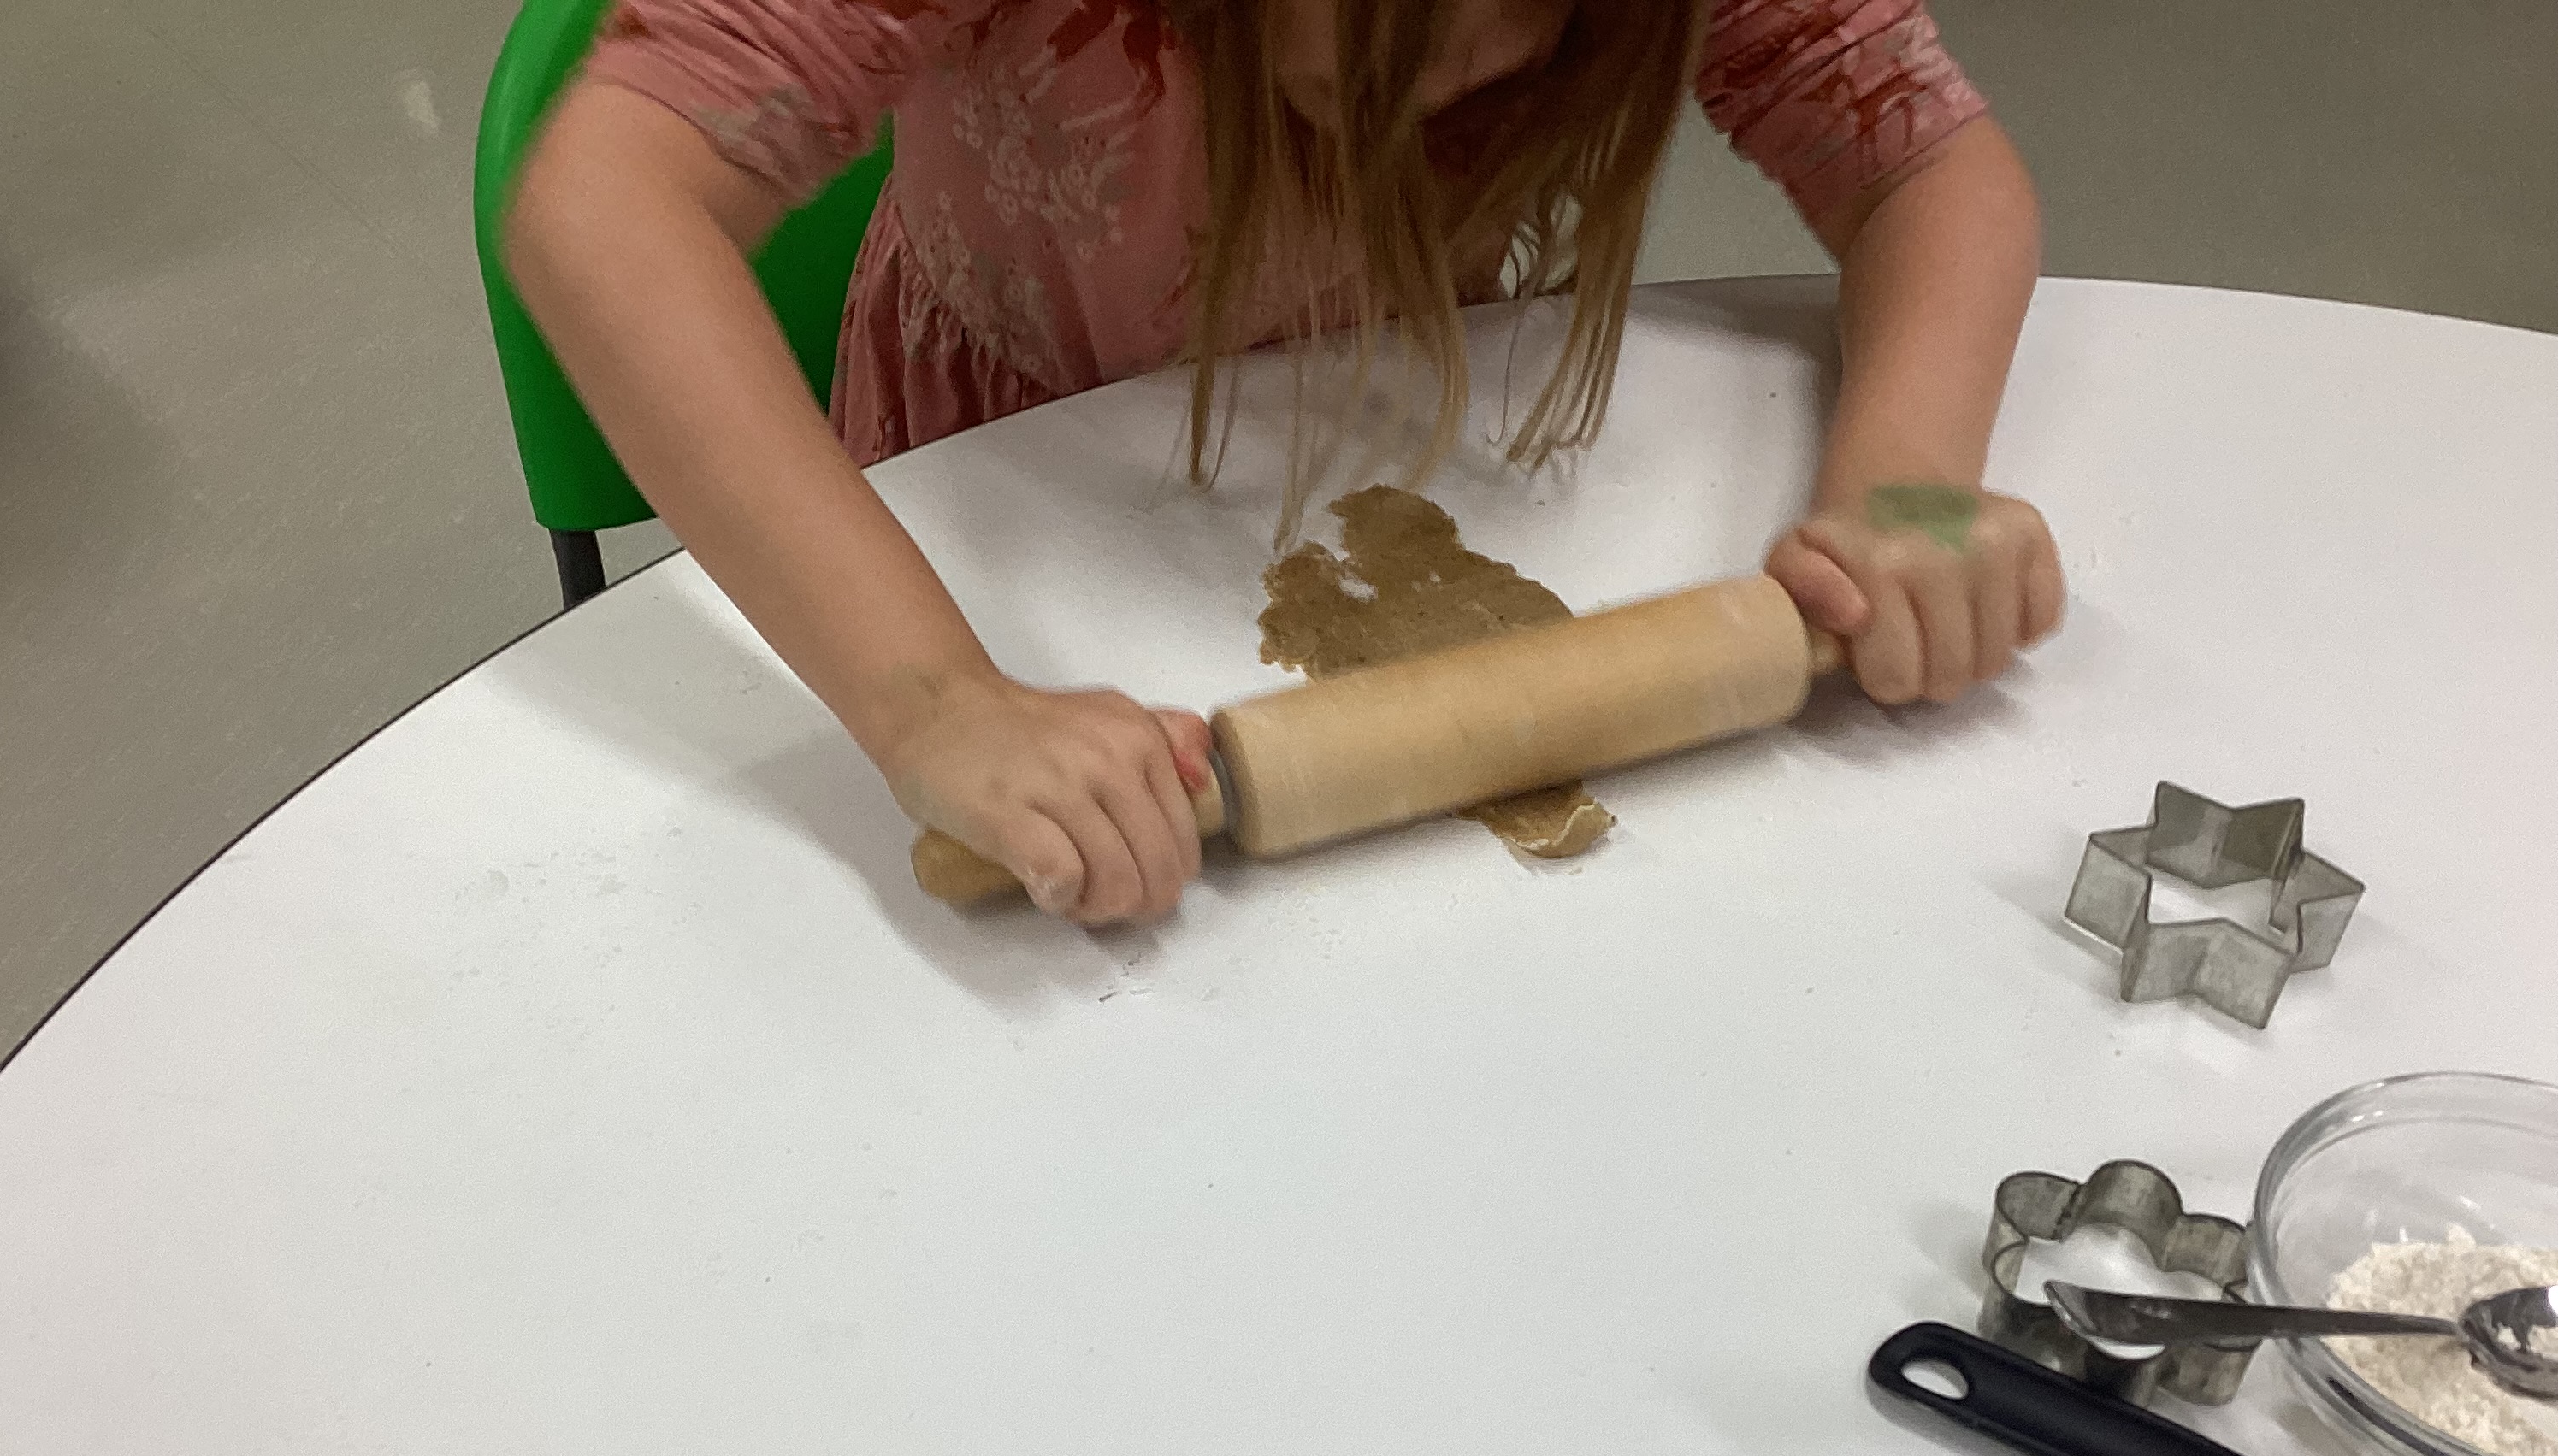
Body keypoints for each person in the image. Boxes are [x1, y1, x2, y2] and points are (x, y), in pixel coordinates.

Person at [509, 0, 2064, 925]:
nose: (1460, 65)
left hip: (1396, 462)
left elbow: (1924, 167)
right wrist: (937, 703)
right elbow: (601, 204)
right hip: (991, 515)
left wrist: (1906, 486)